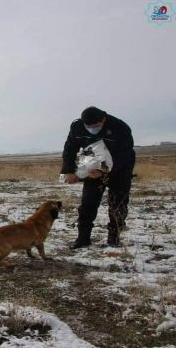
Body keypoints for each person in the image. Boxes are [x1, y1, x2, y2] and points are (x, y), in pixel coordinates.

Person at [61, 106, 135, 248]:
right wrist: (69, 170)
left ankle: (114, 238)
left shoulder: (120, 127)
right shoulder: (77, 127)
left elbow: (124, 155)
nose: (91, 129)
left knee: (118, 204)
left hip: (120, 170)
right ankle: (83, 239)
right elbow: (69, 149)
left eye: (95, 126)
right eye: (87, 126)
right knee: (87, 203)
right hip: (93, 169)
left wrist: (104, 171)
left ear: (103, 120)